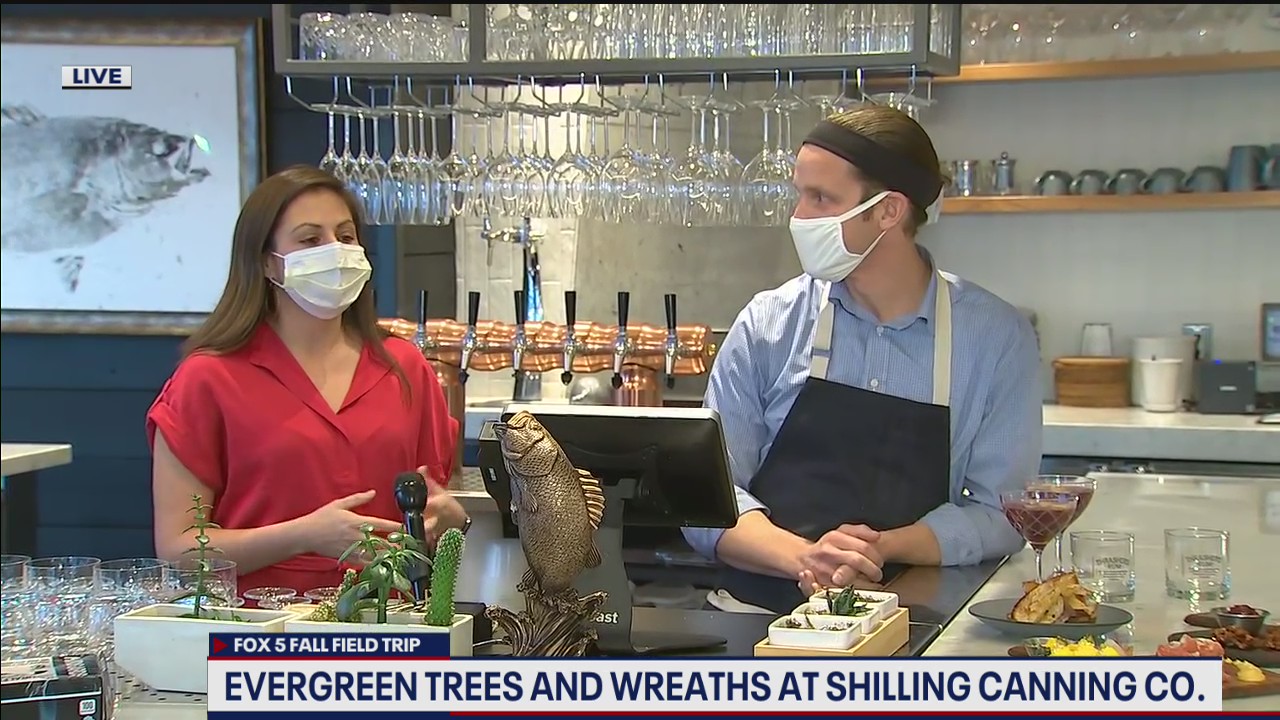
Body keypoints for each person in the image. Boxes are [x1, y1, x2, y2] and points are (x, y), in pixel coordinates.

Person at [683, 106, 1043, 614]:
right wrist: (809, 559)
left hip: (910, 632)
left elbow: (1003, 513)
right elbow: (706, 503)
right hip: (752, 622)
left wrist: (883, 548)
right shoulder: (770, 323)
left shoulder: (995, 339)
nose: (799, 218)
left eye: (821, 199)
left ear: (889, 211)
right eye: (799, 195)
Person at [146, 165, 469, 596]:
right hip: (258, 636)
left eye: (346, 236)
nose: (334, 252)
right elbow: (178, 547)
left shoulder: (404, 368)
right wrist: (306, 535)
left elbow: (430, 507)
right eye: (310, 239)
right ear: (267, 263)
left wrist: (448, 521)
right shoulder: (208, 379)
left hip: (387, 626)